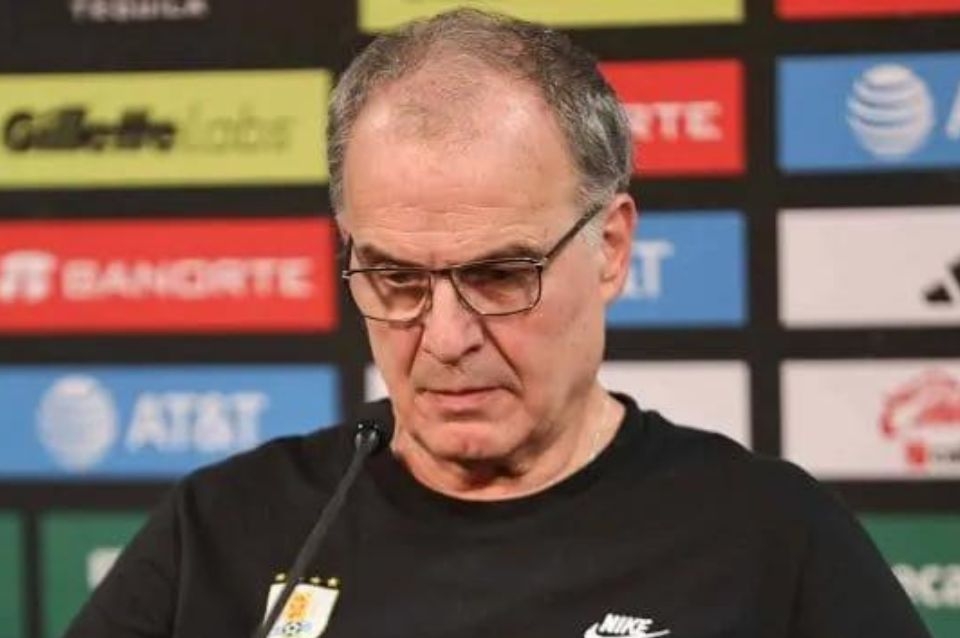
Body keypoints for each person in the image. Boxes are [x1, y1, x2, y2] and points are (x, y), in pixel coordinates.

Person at [66, 9, 930, 638]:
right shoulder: (223, 530)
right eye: (397, 279)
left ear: (611, 248)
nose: (446, 339)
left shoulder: (771, 540)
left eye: (500, 275)